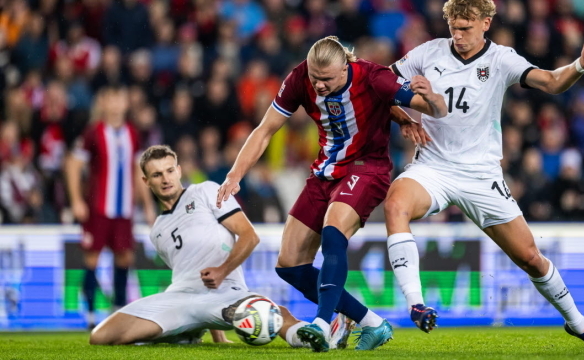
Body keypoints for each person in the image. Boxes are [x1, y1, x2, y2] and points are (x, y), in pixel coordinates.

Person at [384, 0, 584, 348]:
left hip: (481, 176)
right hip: (433, 167)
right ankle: (415, 304)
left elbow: (552, 82)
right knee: (394, 205)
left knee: (530, 258)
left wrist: (580, 65)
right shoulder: (427, 53)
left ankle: (579, 324)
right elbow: (379, 85)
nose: (458, 36)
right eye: (453, 28)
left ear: (486, 23)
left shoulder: (501, 60)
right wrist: (403, 117)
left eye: (466, 28)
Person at [217, 36, 447, 352]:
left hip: (368, 168)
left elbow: (428, 107)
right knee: (290, 265)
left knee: (333, 230)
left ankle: (322, 323)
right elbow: (265, 129)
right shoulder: (300, 77)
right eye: (315, 78)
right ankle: (372, 323)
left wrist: (428, 100)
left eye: (326, 79)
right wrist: (235, 174)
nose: (319, 86)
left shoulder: (374, 75)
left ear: (345, 68)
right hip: (325, 171)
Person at [89, 145, 346, 347]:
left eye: (169, 171)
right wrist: (214, 332)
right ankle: (186, 333)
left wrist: (222, 271)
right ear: (146, 181)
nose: (165, 178)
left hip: (225, 293)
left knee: (268, 313)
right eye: (157, 174)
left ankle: (324, 335)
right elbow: (189, 270)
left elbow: (249, 236)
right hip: (178, 299)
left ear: (178, 171)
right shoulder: (157, 230)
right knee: (101, 336)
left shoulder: (207, 192)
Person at [65, 85, 156, 329]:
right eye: (111, 98)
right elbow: (73, 164)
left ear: (126, 103)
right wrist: (76, 200)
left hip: (124, 209)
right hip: (97, 208)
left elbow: (139, 171)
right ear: (103, 103)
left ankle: (117, 310)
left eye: (120, 98)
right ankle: (91, 315)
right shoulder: (93, 133)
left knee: (124, 257)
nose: (116, 104)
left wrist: (147, 205)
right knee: (92, 258)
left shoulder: (133, 133)